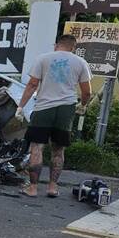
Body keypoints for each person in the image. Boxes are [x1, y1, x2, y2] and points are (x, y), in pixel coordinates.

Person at [16, 32, 92, 198]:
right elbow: (87, 92)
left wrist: (20, 107)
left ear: (57, 44)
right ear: (73, 48)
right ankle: (52, 187)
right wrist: (82, 105)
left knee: (37, 147)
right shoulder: (80, 62)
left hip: (43, 108)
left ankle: (33, 188)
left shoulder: (43, 59)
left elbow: (32, 84)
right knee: (58, 150)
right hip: (66, 109)